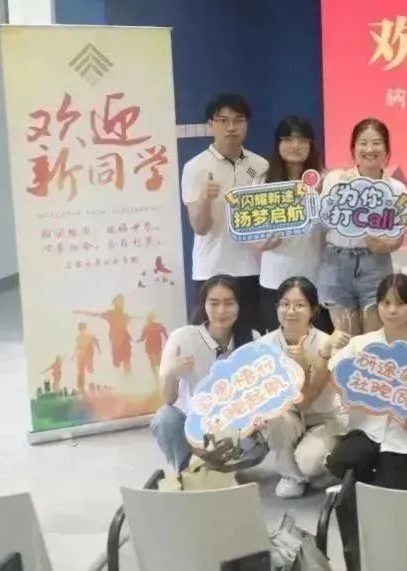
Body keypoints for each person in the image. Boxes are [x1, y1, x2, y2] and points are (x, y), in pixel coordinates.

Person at [327, 274, 407, 490]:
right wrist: (349, 395)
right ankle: (364, 478)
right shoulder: (361, 344)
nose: (392, 310)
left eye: (401, 303)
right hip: (366, 431)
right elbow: (335, 373)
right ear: (377, 305)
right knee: (340, 462)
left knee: (391, 495)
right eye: (386, 303)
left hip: (404, 439)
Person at [181, 94, 268, 336]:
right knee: (212, 341)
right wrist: (205, 199)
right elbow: (200, 227)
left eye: (238, 120)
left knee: (251, 339)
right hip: (211, 269)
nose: (231, 127)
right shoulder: (195, 167)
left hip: (252, 268)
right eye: (223, 120)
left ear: (246, 125)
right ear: (210, 125)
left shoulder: (260, 165)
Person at [256, 277, 350, 498]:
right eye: (284, 304)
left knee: (309, 462)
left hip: (324, 418)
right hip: (289, 418)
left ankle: (322, 469)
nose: (291, 311)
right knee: (274, 416)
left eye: (299, 305)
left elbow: (307, 398)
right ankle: (292, 476)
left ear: (313, 310)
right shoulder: (263, 346)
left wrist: (302, 363)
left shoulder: (326, 343)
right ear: (276, 307)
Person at [150, 275, 255, 472]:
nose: (221, 311)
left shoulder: (252, 340)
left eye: (229, 303)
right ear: (203, 305)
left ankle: (222, 469)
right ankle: (186, 472)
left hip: (234, 428)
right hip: (193, 430)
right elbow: (167, 399)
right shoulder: (181, 338)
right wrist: (172, 372)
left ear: (240, 305)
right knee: (165, 418)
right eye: (213, 303)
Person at [318, 118, 407, 336]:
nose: (369, 149)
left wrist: (384, 245)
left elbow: (398, 237)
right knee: (344, 339)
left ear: (386, 150)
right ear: (353, 148)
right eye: (363, 143)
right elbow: (323, 221)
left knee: (372, 340)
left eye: (376, 143)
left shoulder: (397, 189)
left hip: (375, 263)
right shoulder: (335, 180)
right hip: (337, 262)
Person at [256, 116, 331, 334]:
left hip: (316, 280)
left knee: (317, 345)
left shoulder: (327, 180)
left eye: (302, 139)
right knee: (278, 345)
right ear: (277, 144)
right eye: (288, 139)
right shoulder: (263, 183)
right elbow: (252, 236)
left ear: (311, 144)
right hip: (275, 279)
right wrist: (261, 244)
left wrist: (318, 198)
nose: (296, 145)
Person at [139, 313, 169, 378]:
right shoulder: (155, 326)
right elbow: (165, 333)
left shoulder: (147, 327)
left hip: (152, 347)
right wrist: (168, 338)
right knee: (156, 362)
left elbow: (142, 337)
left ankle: (158, 376)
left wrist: (140, 340)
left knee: (154, 363)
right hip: (154, 347)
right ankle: (158, 376)